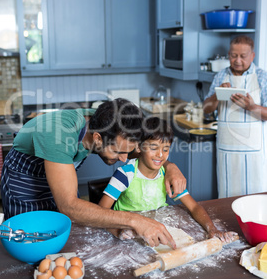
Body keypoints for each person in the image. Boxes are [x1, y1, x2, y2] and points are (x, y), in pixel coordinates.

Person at [1, 98, 186, 248]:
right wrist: (135, 220)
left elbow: (147, 152)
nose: (124, 159)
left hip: (60, 180)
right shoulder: (59, 134)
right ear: (97, 138)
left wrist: (170, 166)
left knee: (64, 237)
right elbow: (70, 207)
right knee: (29, 242)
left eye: (127, 151)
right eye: (118, 152)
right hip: (25, 182)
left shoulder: (109, 126)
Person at [99, 117, 234, 243]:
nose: (160, 155)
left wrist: (212, 229)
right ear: (139, 147)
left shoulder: (168, 176)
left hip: (155, 233)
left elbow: (194, 207)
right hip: (128, 236)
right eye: (153, 148)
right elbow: (101, 212)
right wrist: (118, 231)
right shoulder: (125, 175)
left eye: (165, 149)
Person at [203, 36, 267, 198]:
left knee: (254, 197)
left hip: (253, 151)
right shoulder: (220, 76)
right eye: (233, 55)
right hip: (227, 149)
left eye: (243, 56)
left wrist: (251, 107)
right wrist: (217, 95)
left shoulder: (262, 77)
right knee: (226, 195)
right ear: (228, 54)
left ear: (252, 56)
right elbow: (206, 109)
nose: (237, 60)